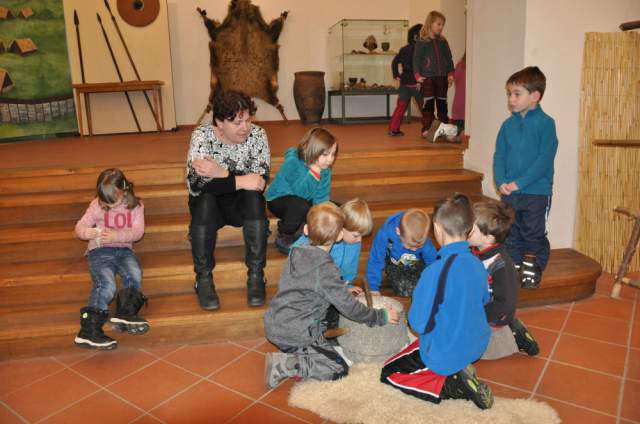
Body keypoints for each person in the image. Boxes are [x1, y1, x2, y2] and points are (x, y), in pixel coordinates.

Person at [263, 202, 399, 388]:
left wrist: (340, 288)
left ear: (306, 229)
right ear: (340, 235)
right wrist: (380, 316)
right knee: (338, 369)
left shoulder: (296, 251)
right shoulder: (326, 269)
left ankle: (301, 350)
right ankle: (288, 364)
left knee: (325, 335)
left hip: (276, 321)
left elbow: (309, 286)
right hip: (295, 332)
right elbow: (350, 308)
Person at [380, 194, 494, 410]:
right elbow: (484, 299)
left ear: (437, 228)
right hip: (477, 345)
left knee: (388, 372)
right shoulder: (477, 264)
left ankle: (452, 385)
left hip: (445, 351)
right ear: (470, 228)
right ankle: (456, 370)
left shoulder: (434, 272)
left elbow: (418, 323)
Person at [186, 90, 270, 310]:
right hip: (210, 208)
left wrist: (220, 173)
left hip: (242, 206)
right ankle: (203, 278)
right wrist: (241, 180)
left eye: (247, 120)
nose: (245, 127)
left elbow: (259, 182)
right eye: (237, 122)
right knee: (205, 199)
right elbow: (197, 185)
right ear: (220, 122)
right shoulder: (202, 136)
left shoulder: (258, 135)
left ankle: (256, 274)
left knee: (254, 198)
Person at [493, 66, 558, 289]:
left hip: (536, 192)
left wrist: (519, 183)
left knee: (533, 232)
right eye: (509, 94)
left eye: (516, 94)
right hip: (509, 192)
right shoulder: (507, 125)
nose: (511, 99)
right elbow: (500, 155)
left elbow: (544, 160)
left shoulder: (546, 124)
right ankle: (514, 265)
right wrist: (501, 181)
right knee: (511, 231)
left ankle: (533, 264)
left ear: (535, 96)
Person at [74, 169, 148, 350]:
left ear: (124, 190)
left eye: (112, 202)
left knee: (134, 273)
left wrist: (117, 236)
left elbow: (138, 232)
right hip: (99, 251)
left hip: (124, 250)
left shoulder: (136, 206)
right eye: (104, 201)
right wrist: (88, 232)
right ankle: (88, 331)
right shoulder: (96, 205)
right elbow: (80, 227)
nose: (108, 205)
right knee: (106, 284)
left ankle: (126, 313)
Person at [468, 200, 540, 359]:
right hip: (478, 308)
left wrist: (476, 315)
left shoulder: (502, 266)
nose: (466, 230)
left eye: (471, 229)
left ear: (488, 238)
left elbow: (506, 303)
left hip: (494, 314)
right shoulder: (472, 251)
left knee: (473, 351)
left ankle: (514, 335)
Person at [291, 198, 373, 331]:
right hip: (311, 287)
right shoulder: (325, 237)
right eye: (356, 235)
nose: (359, 240)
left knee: (337, 310)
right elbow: (296, 251)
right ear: (341, 229)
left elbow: (349, 268)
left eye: (361, 236)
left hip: (331, 286)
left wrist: (347, 286)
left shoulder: (354, 243)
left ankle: (330, 327)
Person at [266, 127, 337, 255]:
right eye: (325, 154)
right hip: (279, 199)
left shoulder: (325, 170)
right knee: (299, 205)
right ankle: (285, 234)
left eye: (333, 154)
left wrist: (322, 217)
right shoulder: (293, 163)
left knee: (333, 207)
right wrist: (314, 172)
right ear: (312, 150)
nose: (330, 159)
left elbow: (321, 198)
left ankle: (306, 230)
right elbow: (299, 193)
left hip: (303, 201)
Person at [365, 209, 437, 297]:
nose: (414, 250)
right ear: (398, 231)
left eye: (419, 247)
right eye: (410, 246)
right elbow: (376, 260)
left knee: (427, 288)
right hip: (395, 264)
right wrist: (373, 288)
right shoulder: (385, 234)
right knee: (406, 290)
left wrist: (433, 281)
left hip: (417, 263)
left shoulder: (422, 238)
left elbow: (432, 263)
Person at [413, 10, 455, 139]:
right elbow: (416, 59)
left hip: (442, 78)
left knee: (442, 105)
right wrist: (417, 76)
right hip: (427, 79)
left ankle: (444, 128)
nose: (441, 27)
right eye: (439, 24)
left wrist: (451, 73)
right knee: (428, 105)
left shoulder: (443, 41)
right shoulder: (422, 41)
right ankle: (427, 128)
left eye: (442, 25)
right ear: (430, 23)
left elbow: (449, 58)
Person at [387, 23, 424, 137]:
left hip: (405, 83)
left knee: (401, 107)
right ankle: (429, 129)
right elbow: (423, 67)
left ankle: (393, 129)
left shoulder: (404, 49)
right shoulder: (421, 49)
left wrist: (396, 75)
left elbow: (394, 62)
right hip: (417, 84)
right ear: (416, 37)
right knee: (424, 108)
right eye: (423, 34)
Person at [451, 52, 466, 135]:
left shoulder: (459, 65)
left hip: (457, 108)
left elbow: (456, 82)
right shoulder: (471, 67)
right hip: (464, 110)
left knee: (457, 132)